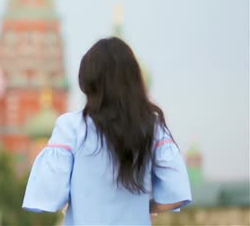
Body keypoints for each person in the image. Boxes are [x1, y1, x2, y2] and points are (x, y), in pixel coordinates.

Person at [22, 37, 191, 225]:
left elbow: (48, 194)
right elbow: (177, 195)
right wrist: (145, 207)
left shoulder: (70, 127)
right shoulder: (152, 126)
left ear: (88, 82)